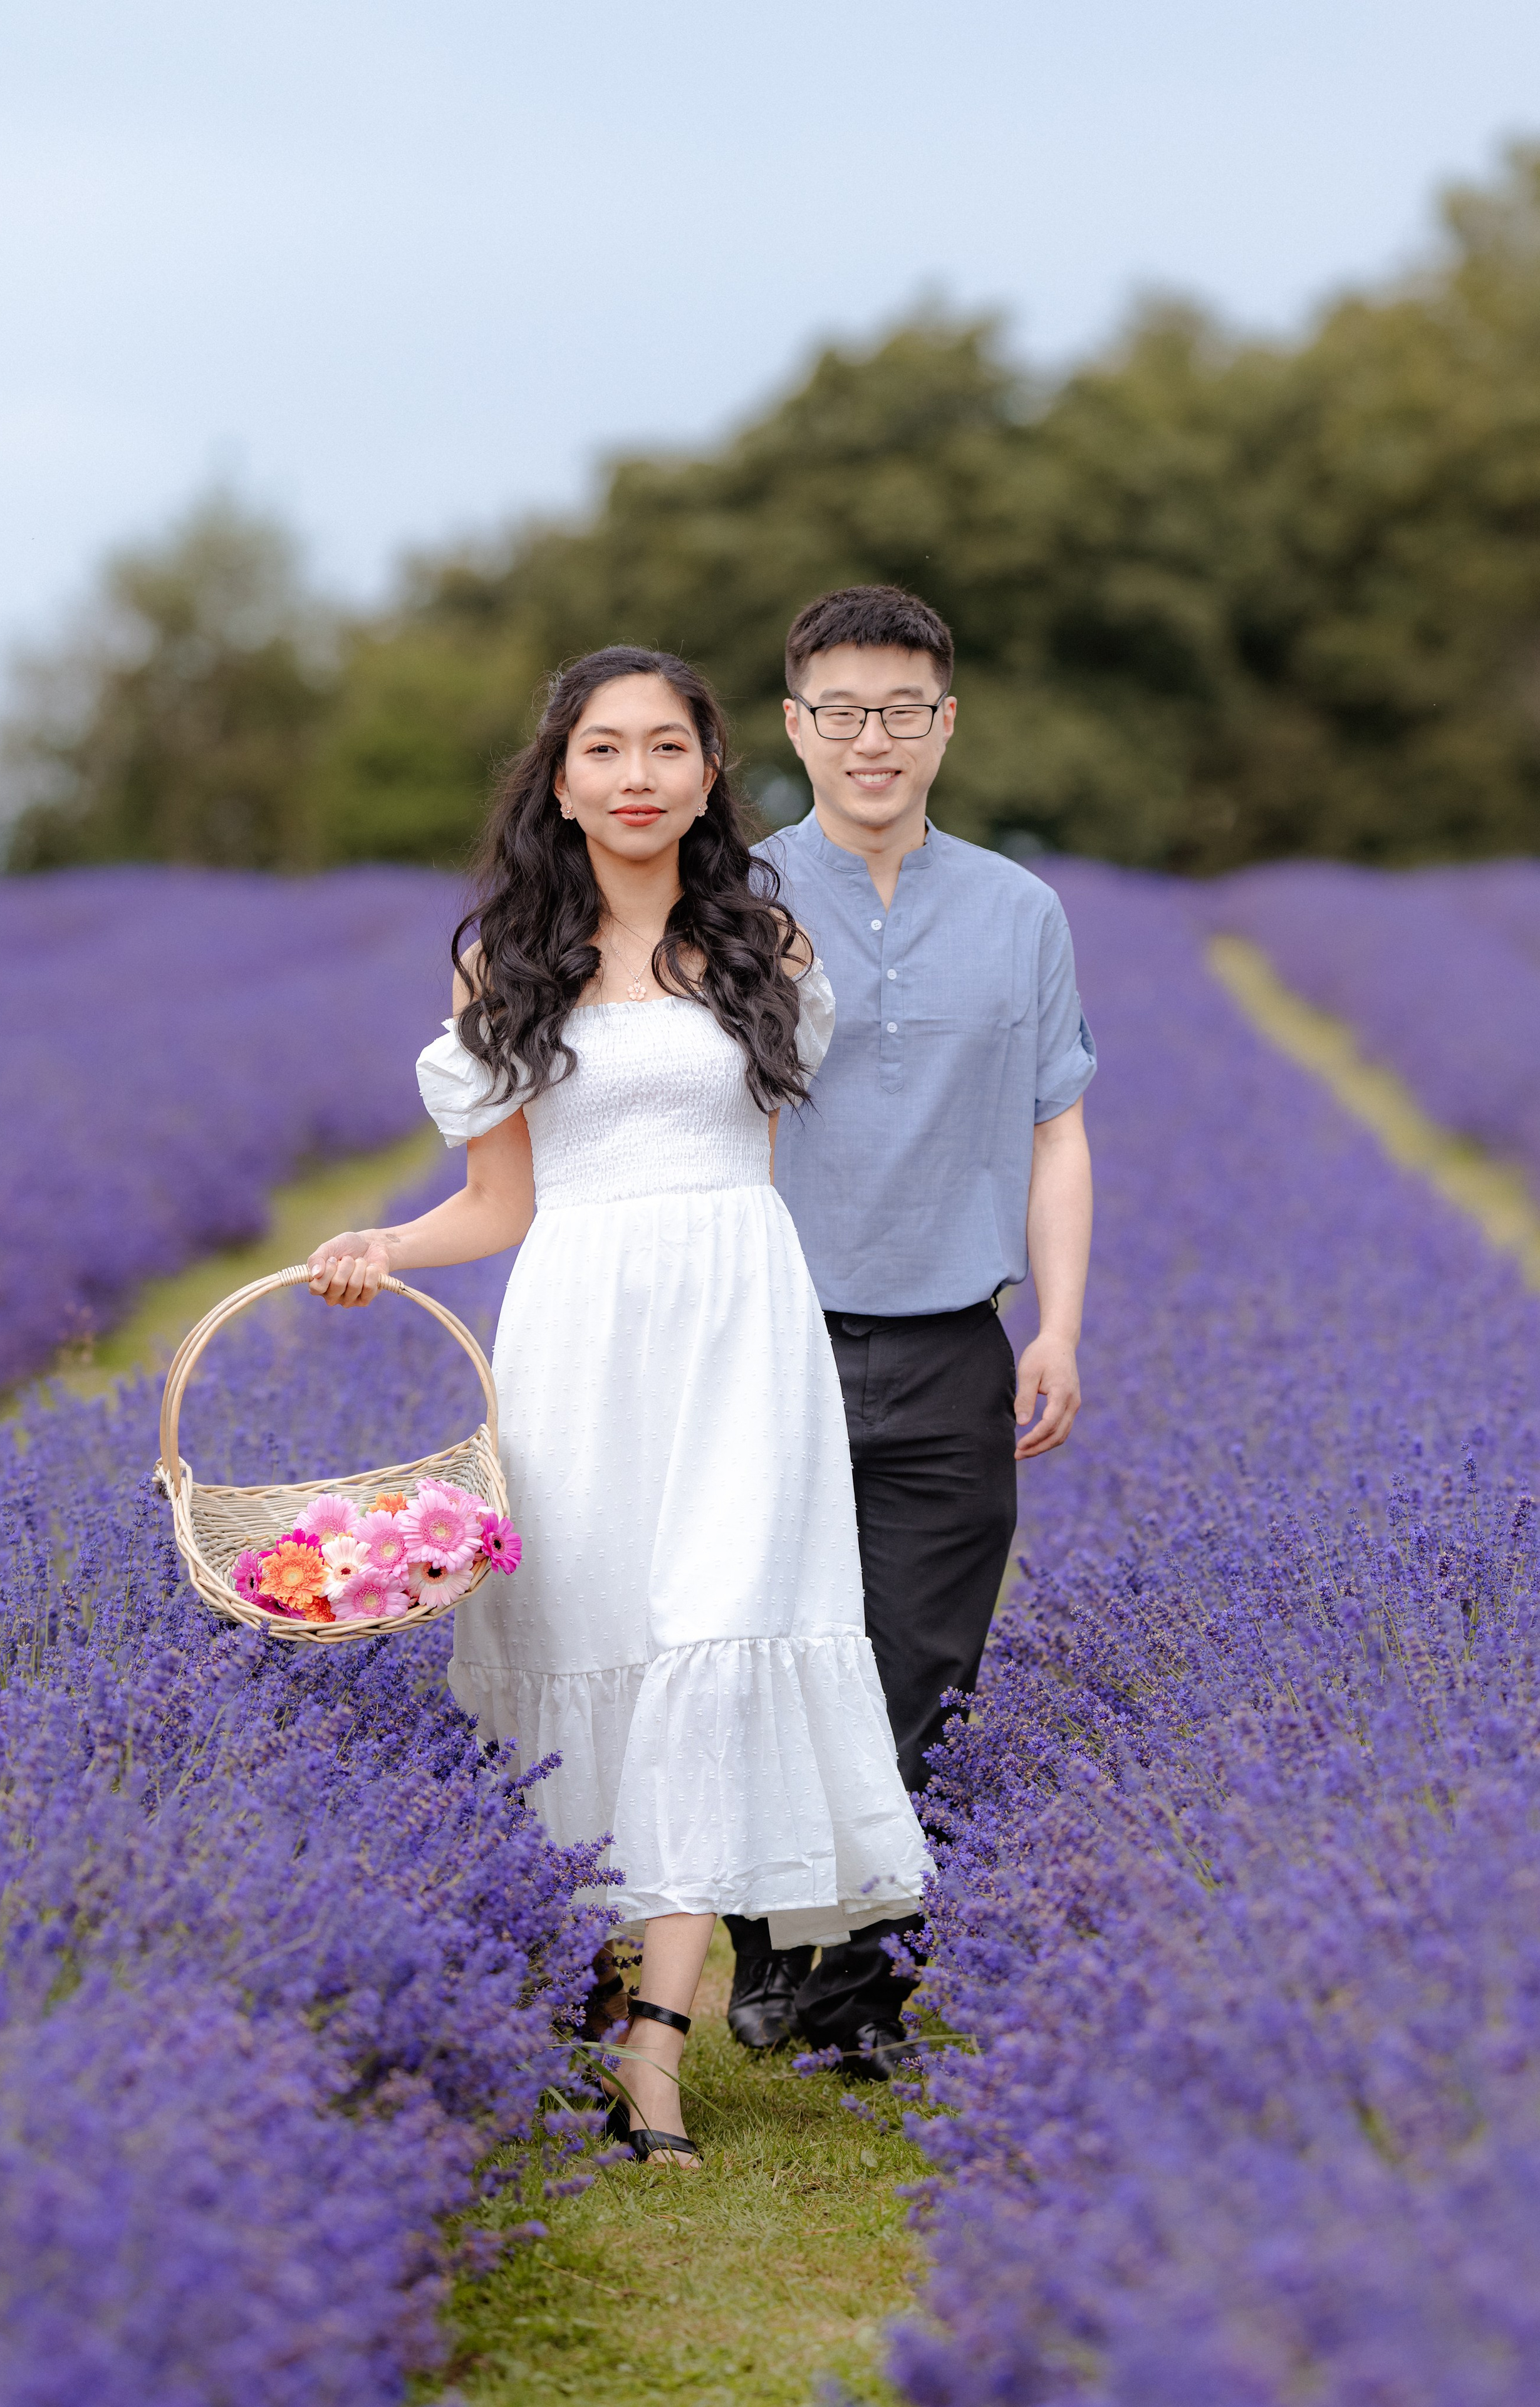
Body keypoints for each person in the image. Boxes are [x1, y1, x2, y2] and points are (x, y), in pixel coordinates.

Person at [307, 645, 931, 2166]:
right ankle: (588, 1988)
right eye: (606, 748)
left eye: (668, 747)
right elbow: (497, 1199)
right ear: (562, 777)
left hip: (737, 1319)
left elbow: (766, 1163)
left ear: (714, 773)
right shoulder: (503, 965)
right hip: (581, 1325)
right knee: (590, 1643)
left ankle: (658, 2044)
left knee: (719, 1632)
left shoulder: (765, 947)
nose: (637, 774)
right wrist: (384, 1243)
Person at [722, 585, 1096, 2075]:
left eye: (901, 711)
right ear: (794, 726)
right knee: (763, 1646)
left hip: (953, 1336)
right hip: (769, 1333)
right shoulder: (728, 896)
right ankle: (761, 1950)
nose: (870, 739)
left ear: (944, 724)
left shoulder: (1019, 910)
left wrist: (1057, 1323)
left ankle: (860, 1983)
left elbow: (1056, 1129)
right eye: (839, 711)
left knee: (923, 1665)